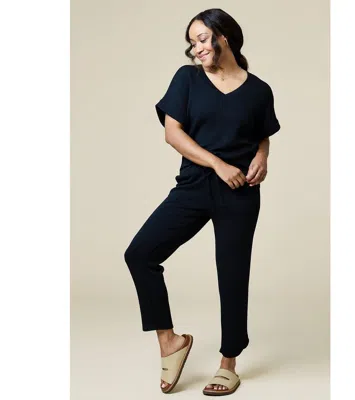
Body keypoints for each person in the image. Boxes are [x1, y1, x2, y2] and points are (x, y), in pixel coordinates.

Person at [123, 8, 281, 396]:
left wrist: (263, 155)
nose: (196, 49)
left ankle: (228, 364)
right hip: (194, 186)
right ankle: (170, 342)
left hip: (240, 192)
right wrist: (217, 163)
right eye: (192, 42)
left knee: (232, 275)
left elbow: (262, 134)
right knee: (140, 254)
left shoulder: (259, 90)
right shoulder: (188, 79)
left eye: (202, 39)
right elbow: (172, 134)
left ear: (223, 36)